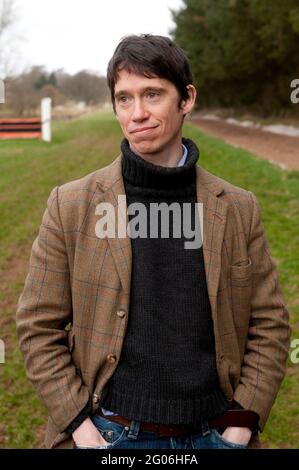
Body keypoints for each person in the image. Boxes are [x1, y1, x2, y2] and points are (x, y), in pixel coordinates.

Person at [16, 34, 291, 450]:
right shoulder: (69, 204)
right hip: (109, 435)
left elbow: (270, 325)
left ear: (187, 99)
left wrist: (241, 424)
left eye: (152, 94)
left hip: (215, 435)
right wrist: (80, 426)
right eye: (124, 99)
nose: (137, 113)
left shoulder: (237, 207)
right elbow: (37, 327)